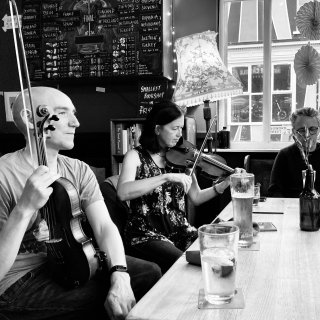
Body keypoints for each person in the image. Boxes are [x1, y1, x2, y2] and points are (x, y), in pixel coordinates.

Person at [0, 87, 161, 320]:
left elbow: (104, 226)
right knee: (103, 296)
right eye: (63, 113)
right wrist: (24, 209)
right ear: (30, 118)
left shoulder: (78, 169)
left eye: (73, 113)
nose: (75, 122)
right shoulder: (3, 173)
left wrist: (120, 275)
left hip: (68, 262)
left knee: (147, 273)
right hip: (18, 282)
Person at [117, 100, 237, 274]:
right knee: (186, 263)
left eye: (181, 128)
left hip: (180, 231)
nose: (179, 134)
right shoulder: (135, 156)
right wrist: (165, 177)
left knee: (221, 250)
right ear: (158, 129)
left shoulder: (181, 157)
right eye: (174, 129)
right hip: (147, 234)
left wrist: (223, 185)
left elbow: (196, 197)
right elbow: (123, 192)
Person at [269, 107, 320, 198]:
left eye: (312, 129)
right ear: (294, 132)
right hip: (291, 208)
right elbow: (275, 191)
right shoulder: (284, 155)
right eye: (302, 130)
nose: (307, 135)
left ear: (318, 130)